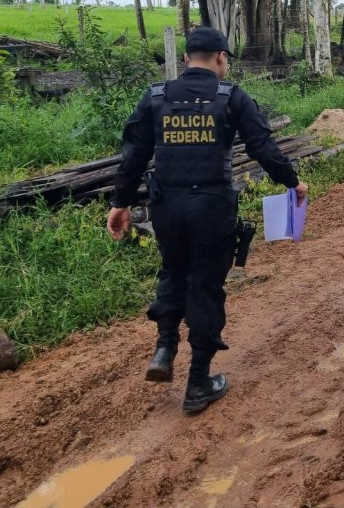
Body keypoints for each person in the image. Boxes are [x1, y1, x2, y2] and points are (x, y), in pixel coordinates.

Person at [106, 27, 308, 413]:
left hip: (167, 206)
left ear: (185, 59)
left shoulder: (156, 97)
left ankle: (164, 348)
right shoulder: (231, 97)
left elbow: (132, 156)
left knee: (173, 270)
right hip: (212, 206)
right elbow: (262, 146)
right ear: (220, 58)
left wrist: (120, 204)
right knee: (205, 286)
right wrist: (292, 182)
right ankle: (199, 382)